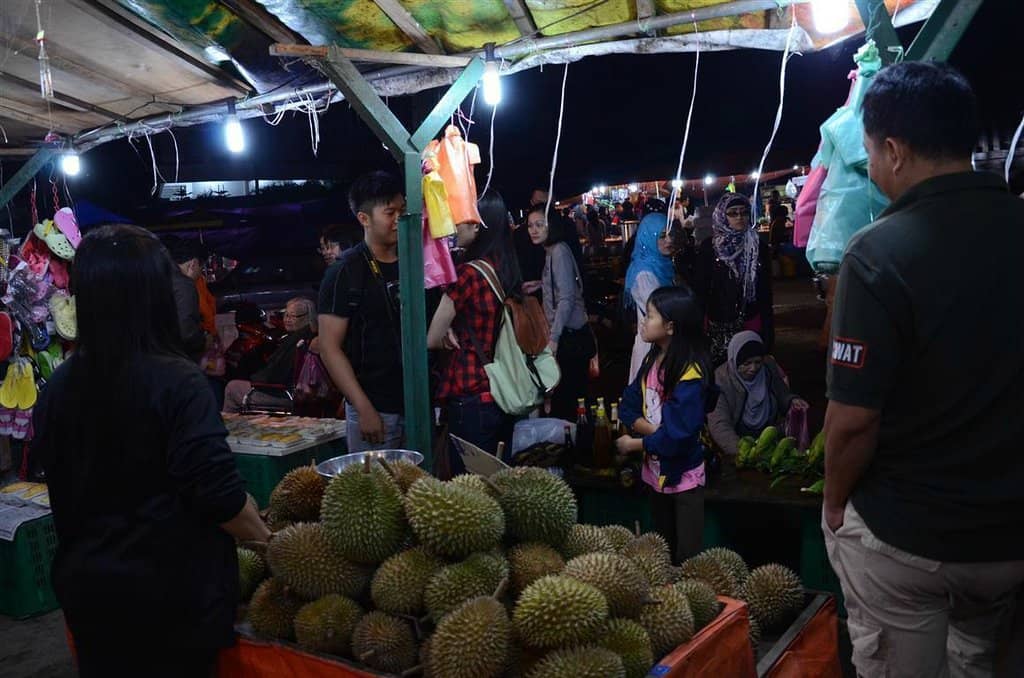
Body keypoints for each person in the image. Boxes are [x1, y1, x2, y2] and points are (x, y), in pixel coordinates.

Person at [822, 62, 1024, 678]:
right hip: (1009, 539)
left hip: (909, 542)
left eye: (870, 154)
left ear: (894, 149)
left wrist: (833, 507)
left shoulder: (878, 252)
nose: (872, 169)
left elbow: (853, 422)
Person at [33, 224, 269, 677]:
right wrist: (270, 541)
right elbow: (219, 497)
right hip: (171, 601)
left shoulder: (57, 388)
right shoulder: (179, 382)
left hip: (91, 596)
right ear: (156, 295)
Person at [616, 287, 715, 563]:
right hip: (654, 475)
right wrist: (657, 433)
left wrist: (635, 442)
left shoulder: (690, 375)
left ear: (670, 326)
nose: (643, 322)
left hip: (684, 479)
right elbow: (627, 405)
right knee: (663, 551)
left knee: (687, 558)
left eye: (649, 316)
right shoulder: (651, 360)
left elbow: (679, 438)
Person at [427, 190, 521, 469]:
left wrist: (444, 332)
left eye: (458, 219)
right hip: (503, 391)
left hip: (471, 395)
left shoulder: (469, 273)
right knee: (499, 481)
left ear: (476, 225)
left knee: (470, 492)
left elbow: (431, 338)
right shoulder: (505, 266)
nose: (452, 226)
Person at [319, 172, 406, 452]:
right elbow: (329, 348)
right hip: (375, 409)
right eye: (390, 212)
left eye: (403, 210)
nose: (399, 219)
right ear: (364, 219)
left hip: (420, 405)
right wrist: (363, 408)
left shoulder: (418, 259)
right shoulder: (344, 271)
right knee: (375, 494)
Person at [691, 192, 773, 365]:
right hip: (719, 321)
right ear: (722, 215)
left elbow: (765, 291)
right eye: (733, 213)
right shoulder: (710, 247)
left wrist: (768, 329)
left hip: (751, 316)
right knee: (721, 370)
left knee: (750, 366)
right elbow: (701, 289)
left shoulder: (758, 246)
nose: (740, 217)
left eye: (744, 212)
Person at [526, 206, 592, 421]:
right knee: (568, 399)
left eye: (539, 225)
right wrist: (541, 285)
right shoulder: (552, 251)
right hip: (568, 334)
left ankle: (577, 447)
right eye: (530, 226)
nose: (533, 230)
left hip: (571, 336)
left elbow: (566, 299)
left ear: (551, 226)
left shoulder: (559, 251)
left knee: (568, 401)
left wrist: (553, 339)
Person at [708, 331, 807, 458]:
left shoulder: (768, 368)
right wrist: (744, 452)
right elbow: (719, 425)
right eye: (746, 363)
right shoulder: (720, 380)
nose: (753, 368)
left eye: (757, 362)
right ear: (735, 361)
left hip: (770, 439)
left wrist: (792, 401)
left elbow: (781, 393)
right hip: (741, 443)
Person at [223, 297, 318, 413]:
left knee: (232, 387)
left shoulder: (297, 341)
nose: (287, 319)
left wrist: (256, 379)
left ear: (307, 317)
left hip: (283, 395)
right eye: (286, 315)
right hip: (288, 391)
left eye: (292, 316)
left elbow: (275, 376)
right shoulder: (305, 336)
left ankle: (229, 429)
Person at [624, 200, 678, 383]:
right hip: (653, 345)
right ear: (648, 238)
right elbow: (661, 311)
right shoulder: (644, 274)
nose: (669, 241)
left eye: (670, 235)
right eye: (662, 236)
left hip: (665, 342)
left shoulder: (662, 266)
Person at [164, 237, 208, 362]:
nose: (200, 274)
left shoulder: (159, 275)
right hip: (175, 360)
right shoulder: (184, 285)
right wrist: (204, 341)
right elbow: (186, 332)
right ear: (193, 264)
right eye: (201, 268)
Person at [514, 188, 549, 294]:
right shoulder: (519, 234)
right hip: (529, 291)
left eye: (544, 204)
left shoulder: (558, 249)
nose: (534, 230)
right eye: (530, 226)